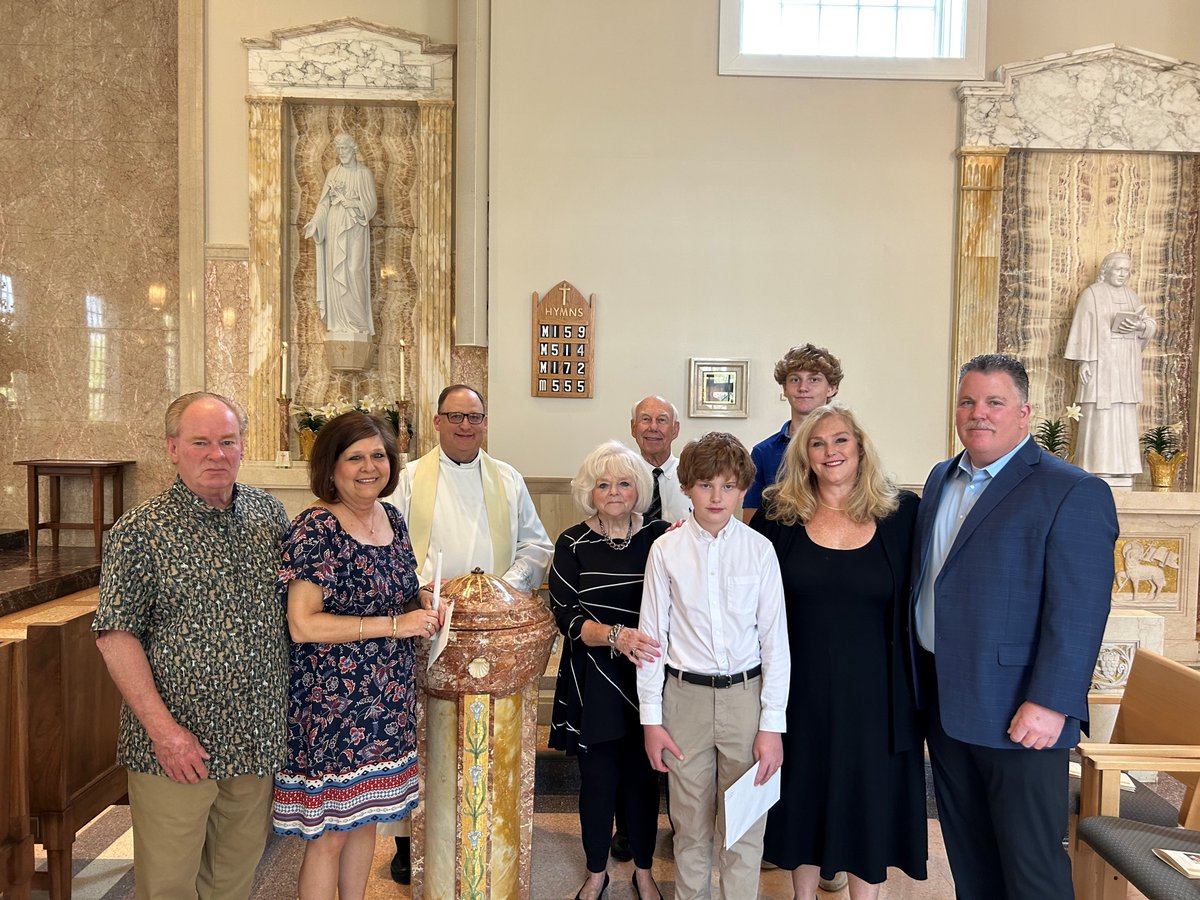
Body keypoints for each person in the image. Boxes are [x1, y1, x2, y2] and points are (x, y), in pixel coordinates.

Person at [912, 353, 1118, 900]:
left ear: (1024, 413)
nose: (978, 413)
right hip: (946, 703)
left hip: (1020, 712)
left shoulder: (1071, 489)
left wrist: (1052, 702)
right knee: (971, 860)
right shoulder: (940, 478)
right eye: (968, 401)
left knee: (1031, 870)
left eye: (994, 402)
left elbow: (1080, 609)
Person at [93, 392, 290, 899]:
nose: (216, 454)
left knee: (234, 878)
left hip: (253, 736)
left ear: (243, 447)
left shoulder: (269, 516)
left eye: (227, 441)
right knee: (169, 884)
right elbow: (116, 636)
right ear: (173, 448)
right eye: (200, 442)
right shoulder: (140, 531)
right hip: (178, 746)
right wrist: (164, 732)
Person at [751, 403, 926, 899]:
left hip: (878, 694)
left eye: (841, 440)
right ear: (804, 456)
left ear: (860, 447)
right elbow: (743, 580)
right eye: (818, 443)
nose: (831, 451)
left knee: (868, 802)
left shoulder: (902, 514)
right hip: (799, 689)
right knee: (803, 797)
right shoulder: (778, 516)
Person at [384, 383, 554, 882]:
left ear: (484, 423)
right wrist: (426, 594)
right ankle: (407, 839)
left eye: (474, 417)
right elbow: (391, 544)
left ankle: (494, 830)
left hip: (490, 630)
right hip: (426, 619)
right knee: (418, 732)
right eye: (455, 416)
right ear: (436, 421)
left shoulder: (508, 478)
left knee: (485, 734)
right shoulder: (409, 479)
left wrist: (499, 590)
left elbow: (536, 546)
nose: (465, 425)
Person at [271, 411, 441, 899]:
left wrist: (421, 601)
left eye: (378, 456)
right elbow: (303, 624)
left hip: (386, 699)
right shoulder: (316, 527)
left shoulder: (392, 518)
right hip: (333, 703)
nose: (369, 467)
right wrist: (396, 624)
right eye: (355, 457)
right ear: (331, 467)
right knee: (329, 836)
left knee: (366, 824)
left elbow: (399, 594)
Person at [637, 432, 790, 900]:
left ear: (744, 488)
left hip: (747, 700)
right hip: (684, 700)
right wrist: (651, 720)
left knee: (745, 833)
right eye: (705, 485)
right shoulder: (666, 550)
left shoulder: (760, 550)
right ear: (687, 488)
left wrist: (772, 725)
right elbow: (651, 642)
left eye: (728, 486)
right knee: (690, 829)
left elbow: (775, 643)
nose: (717, 497)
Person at [549, 441, 670, 900]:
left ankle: (643, 869)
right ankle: (596, 871)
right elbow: (565, 615)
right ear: (589, 491)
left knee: (643, 778)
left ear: (638, 487)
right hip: (593, 678)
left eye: (623, 483)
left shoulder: (660, 535)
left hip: (648, 677)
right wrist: (617, 636)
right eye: (603, 484)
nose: (614, 492)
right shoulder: (572, 542)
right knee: (597, 781)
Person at [1065, 250, 1157, 480]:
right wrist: (1083, 361)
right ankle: (1095, 463)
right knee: (1100, 412)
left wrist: (1139, 327)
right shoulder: (1092, 295)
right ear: (1106, 270)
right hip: (1100, 362)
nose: (1122, 274)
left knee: (1123, 411)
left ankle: (1123, 467)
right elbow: (1081, 329)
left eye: (1126, 270)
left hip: (1125, 363)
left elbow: (1148, 322)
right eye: (1118, 269)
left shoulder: (1130, 295)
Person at [742, 343, 843, 523]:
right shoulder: (763, 452)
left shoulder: (846, 449)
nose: (803, 387)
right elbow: (751, 525)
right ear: (785, 389)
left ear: (832, 388)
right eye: (795, 380)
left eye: (814, 379)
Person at [305, 132, 377, 337]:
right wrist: (315, 223)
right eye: (338, 150)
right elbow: (324, 204)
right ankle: (340, 324)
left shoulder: (364, 174)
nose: (341, 153)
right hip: (335, 225)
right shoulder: (333, 174)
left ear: (353, 149)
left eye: (344, 149)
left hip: (355, 227)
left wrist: (354, 203)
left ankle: (359, 322)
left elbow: (371, 205)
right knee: (337, 275)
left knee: (354, 269)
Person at [630, 394, 692, 522]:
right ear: (633, 428)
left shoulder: (694, 476)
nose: (653, 427)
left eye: (661, 420)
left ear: (675, 429)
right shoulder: (618, 477)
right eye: (646, 419)